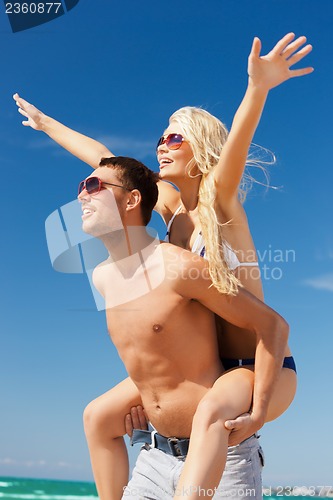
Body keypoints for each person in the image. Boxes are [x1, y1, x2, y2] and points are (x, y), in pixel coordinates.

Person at [13, 32, 312, 498]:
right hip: (206, 366)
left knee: (213, 409)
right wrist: (47, 124)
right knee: (100, 416)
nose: (162, 145)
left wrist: (257, 89)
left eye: (175, 137)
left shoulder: (221, 206)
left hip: (258, 362)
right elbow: (106, 161)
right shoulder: (170, 212)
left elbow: (235, 146)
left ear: (201, 149)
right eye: (161, 137)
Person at [76, 155, 288, 500]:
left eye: (95, 185)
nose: (83, 194)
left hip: (224, 458)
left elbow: (273, 325)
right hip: (154, 458)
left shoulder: (179, 268)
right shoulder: (102, 278)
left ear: (132, 200)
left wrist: (259, 412)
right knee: (95, 417)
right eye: (82, 186)